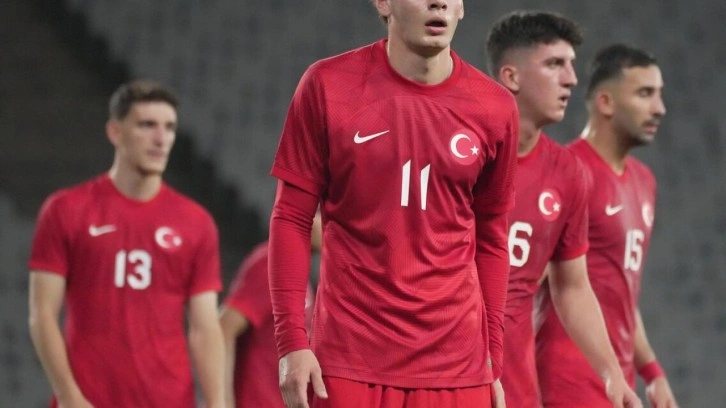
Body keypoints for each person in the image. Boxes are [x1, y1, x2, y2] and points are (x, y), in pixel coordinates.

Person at [268, 0, 519, 407]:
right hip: (349, 362)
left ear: (461, 8)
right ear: (383, 3)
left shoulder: (496, 107)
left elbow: (492, 238)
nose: (438, 2)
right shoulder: (328, 85)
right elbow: (291, 218)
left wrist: (494, 356)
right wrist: (292, 343)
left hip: (458, 366)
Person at [28, 80, 225, 408]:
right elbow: (42, 314)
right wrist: (68, 396)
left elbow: (205, 328)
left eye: (169, 127)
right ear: (115, 132)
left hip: (169, 400)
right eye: (147, 125)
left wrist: (218, 403)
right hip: (88, 400)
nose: (161, 139)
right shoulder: (66, 210)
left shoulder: (196, 222)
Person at [486, 11, 641, 408]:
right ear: (511, 76)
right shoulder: (458, 151)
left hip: (516, 387)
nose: (571, 79)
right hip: (440, 373)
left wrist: (611, 373)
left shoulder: (567, 172)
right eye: (555, 64)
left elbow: (572, 286)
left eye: (571, 65)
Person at [536, 44, 678, 408]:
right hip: (565, 383)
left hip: (617, 383)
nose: (659, 108)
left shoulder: (644, 181)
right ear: (606, 103)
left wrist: (652, 371)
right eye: (645, 94)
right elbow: (523, 283)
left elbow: (619, 292)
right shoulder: (567, 172)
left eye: (659, 94)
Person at [220, 213, 322, 408]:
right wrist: (222, 402)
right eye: (321, 215)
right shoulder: (272, 262)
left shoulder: (300, 273)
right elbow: (224, 328)